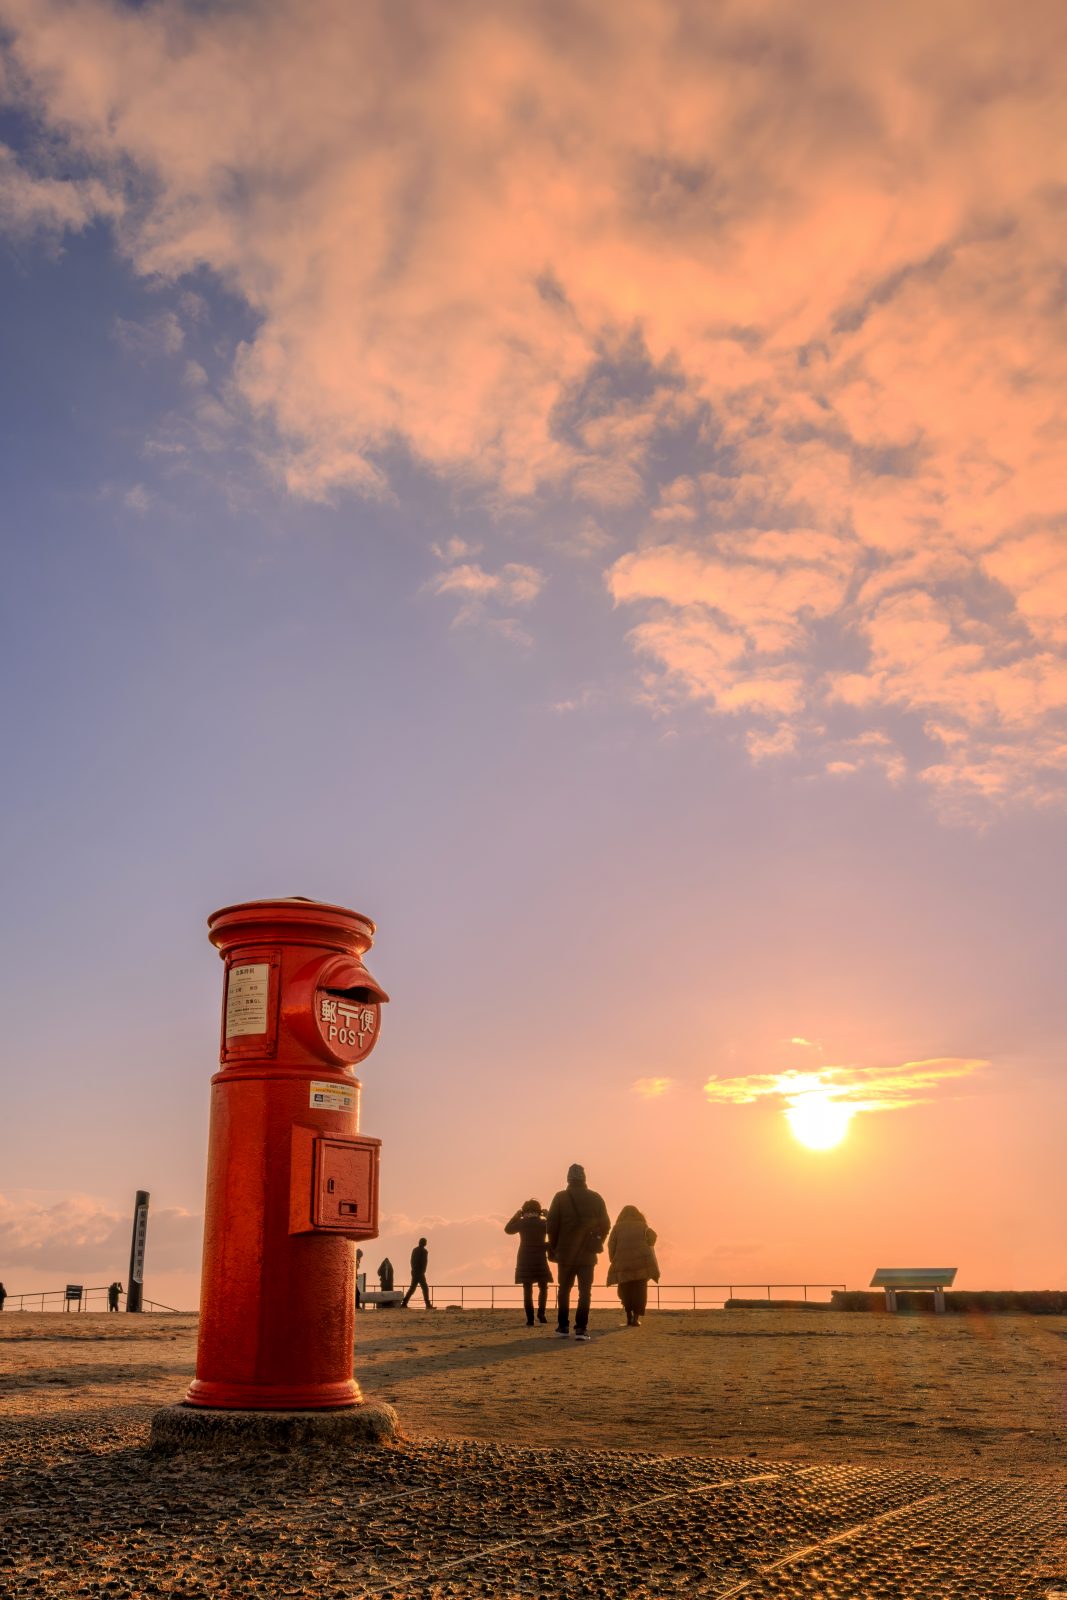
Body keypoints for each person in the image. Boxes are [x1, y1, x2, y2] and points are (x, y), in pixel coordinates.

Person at [546, 1164, 610, 1342]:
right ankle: (581, 1329)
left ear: (568, 1178)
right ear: (584, 1178)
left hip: (565, 1254)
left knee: (564, 1290)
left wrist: (554, 1247)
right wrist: (598, 1240)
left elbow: (551, 1225)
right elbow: (606, 1224)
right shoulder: (596, 1198)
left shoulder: (560, 1197)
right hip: (588, 1255)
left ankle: (563, 1326)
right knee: (585, 1292)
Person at [606, 1205, 660, 1326]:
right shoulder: (643, 1226)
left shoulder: (617, 1228)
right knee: (640, 1291)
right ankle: (635, 1319)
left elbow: (611, 1245)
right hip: (641, 1265)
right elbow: (653, 1236)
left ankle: (628, 1317)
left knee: (625, 1291)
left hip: (623, 1265)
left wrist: (613, 1259)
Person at [504, 1199, 553, 1326]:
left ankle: (530, 1319)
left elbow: (507, 1230)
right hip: (540, 1257)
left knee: (527, 1289)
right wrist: (548, 1215)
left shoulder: (521, 1223)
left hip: (524, 1258)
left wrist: (516, 1216)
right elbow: (555, 1228)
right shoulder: (543, 1223)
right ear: (539, 1210)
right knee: (543, 1287)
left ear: (524, 1210)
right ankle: (541, 1314)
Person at [402, 1237, 432, 1308]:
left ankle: (404, 1303)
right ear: (424, 1243)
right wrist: (422, 1271)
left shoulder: (415, 1250)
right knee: (425, 1288)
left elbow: (411, 1261)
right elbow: (423, 1262)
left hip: (415, 1272)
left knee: (412, 1288)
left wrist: (413, 1269)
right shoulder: (424, 1251)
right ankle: (428, 1305)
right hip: (420, 1273)